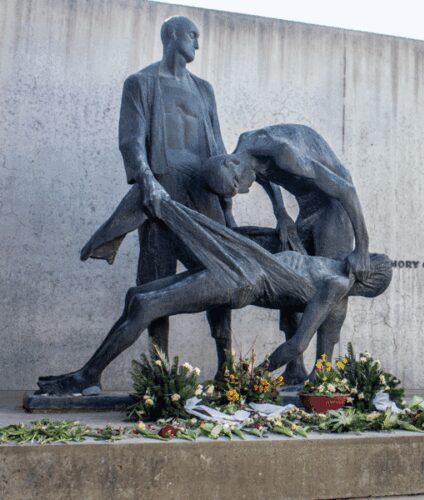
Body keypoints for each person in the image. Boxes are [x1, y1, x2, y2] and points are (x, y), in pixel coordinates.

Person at [37, 156, 392, 396]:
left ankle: (87, 376)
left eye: (370, 259)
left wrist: (254, 377)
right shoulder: (327, 264)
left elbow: (298, 344)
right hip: (245, 261)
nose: (362, 255)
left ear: (368, 279)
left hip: (243, 281)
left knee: (146, 304)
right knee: (137, 296)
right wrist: (279, 213)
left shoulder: (336, 285)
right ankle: (88, 375)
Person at [116, 16, 233, 374]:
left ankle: (227, 368)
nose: (197, 42)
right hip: (163, 190)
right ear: (172, 35)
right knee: (156, 278)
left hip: (203, 191)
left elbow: (218, 146)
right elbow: (131, 140)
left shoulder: (204, 90)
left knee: (222, 273)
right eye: (192, 35)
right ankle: (159, 372)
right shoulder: (141, 83)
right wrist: (147, 182)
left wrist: (227, 205)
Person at [227, 124, 372, 383]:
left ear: (232, 163)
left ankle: (322, 370)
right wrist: (281, 213)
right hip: (307, 209)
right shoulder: (245, 147)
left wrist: (362, 247)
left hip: (335, 207)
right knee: (290, 280)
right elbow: (261, 174)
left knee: (334, 281)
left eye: (237, 185)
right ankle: (295, 368)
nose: (242, 192)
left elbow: (346, 190)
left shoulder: (283, 152)